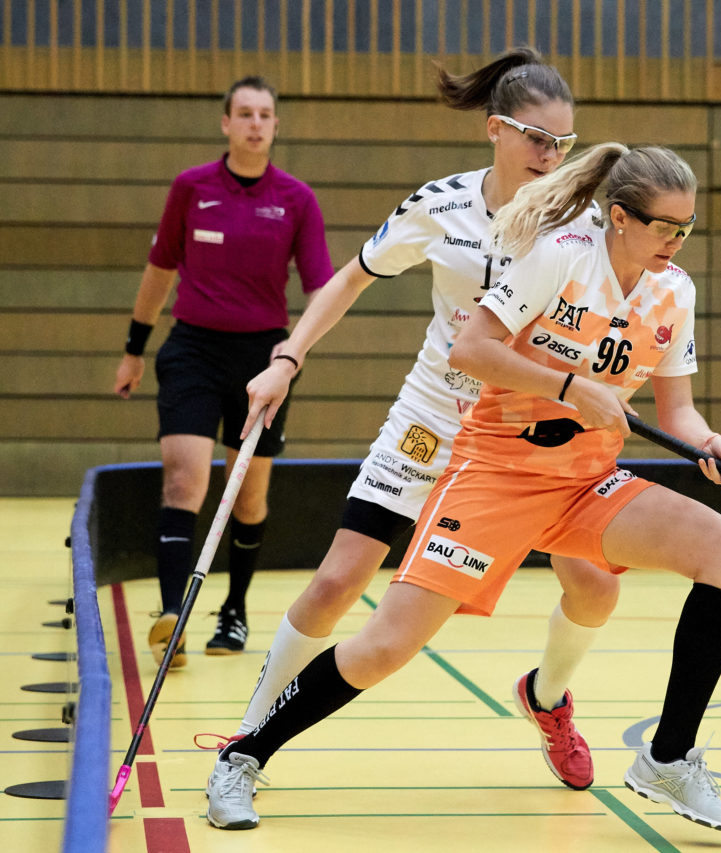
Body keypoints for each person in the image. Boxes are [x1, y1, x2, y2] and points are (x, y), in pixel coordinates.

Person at [205, 142, 721, 834]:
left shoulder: (674, 291)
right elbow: (470, 349)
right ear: (619, 216)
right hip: (496, 473)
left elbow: (678, 412)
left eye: (688, 228)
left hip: (587, 479)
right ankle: (244, 755)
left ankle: (668, 757)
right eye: (666, 228)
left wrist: (708, 442)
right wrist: (570, 387)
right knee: (384, 647)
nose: (677, 243)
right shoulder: (562, 255)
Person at [211, 47, 620, 809]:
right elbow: (348, 279)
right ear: (495, 130)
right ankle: (246, 742)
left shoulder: (584, 223)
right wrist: (287, 357)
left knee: (593, 585)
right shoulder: (442, 204)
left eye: (564, 144)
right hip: (434, 418)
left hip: (524, 437)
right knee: (338, 580)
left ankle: (549, 696)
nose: (552, 157)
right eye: (537, 139)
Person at [113, 76, 333, 667]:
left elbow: (321, 289)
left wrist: (292, 355)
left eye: (266, 114)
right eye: (245, 113)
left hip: (261, 359)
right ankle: (172, 618)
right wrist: (135, 348)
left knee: (248, 495)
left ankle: (232, 609)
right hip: (192, 350)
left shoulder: (296, 199)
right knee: (183, 480)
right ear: (226, 124)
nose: (256, 123)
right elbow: (160, 270)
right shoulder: (191, 188)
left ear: (275, 126)